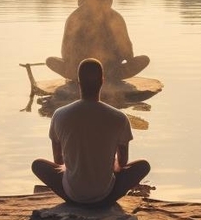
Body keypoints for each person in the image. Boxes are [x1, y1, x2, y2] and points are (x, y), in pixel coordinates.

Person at [32, 57, 150, 205]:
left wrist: (77, 165)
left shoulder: (59, 115)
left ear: (79, 82)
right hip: (106, 194)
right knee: (143, 166)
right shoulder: (119, 117)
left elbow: (58, 160)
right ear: (102, 81)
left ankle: (76, 198)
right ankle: (100, 201)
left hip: (72, 193)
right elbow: (122, 163)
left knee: (38, 165)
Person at [46, 0, 149, 83]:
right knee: (144, 60)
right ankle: (97, 76)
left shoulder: (75, 17)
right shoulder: (114, 17)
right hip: (101, 72)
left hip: (90, 72)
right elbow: (128, 54)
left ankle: (83, 76)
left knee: (50, 61)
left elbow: (65, 54)